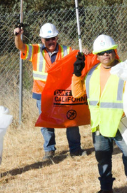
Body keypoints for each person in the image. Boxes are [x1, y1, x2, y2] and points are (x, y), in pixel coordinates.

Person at [71, 35, 127, 193]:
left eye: (109, 51)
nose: (106, 55)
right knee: (102, 158)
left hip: (122, 122)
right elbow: (77, 94)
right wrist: (76, 74)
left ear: (114, 52)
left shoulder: (124, 70)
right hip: (100, 124)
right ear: (96, 55)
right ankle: (106, 190)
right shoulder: (90, 75)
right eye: (102, 52)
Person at [15, 22, 81, 159]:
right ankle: (49, 150)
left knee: (71, 119)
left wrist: (84, 52)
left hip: (62, 93)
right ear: (42, 40)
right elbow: (20, 46)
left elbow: (79, 57)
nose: (51, 42)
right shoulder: (35, 50)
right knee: (46, 123)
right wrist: (18, 35)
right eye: (48, 39)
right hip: (42, 93)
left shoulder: (66, 50)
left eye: (54, 38)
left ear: (57, 38)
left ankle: (75, 149)